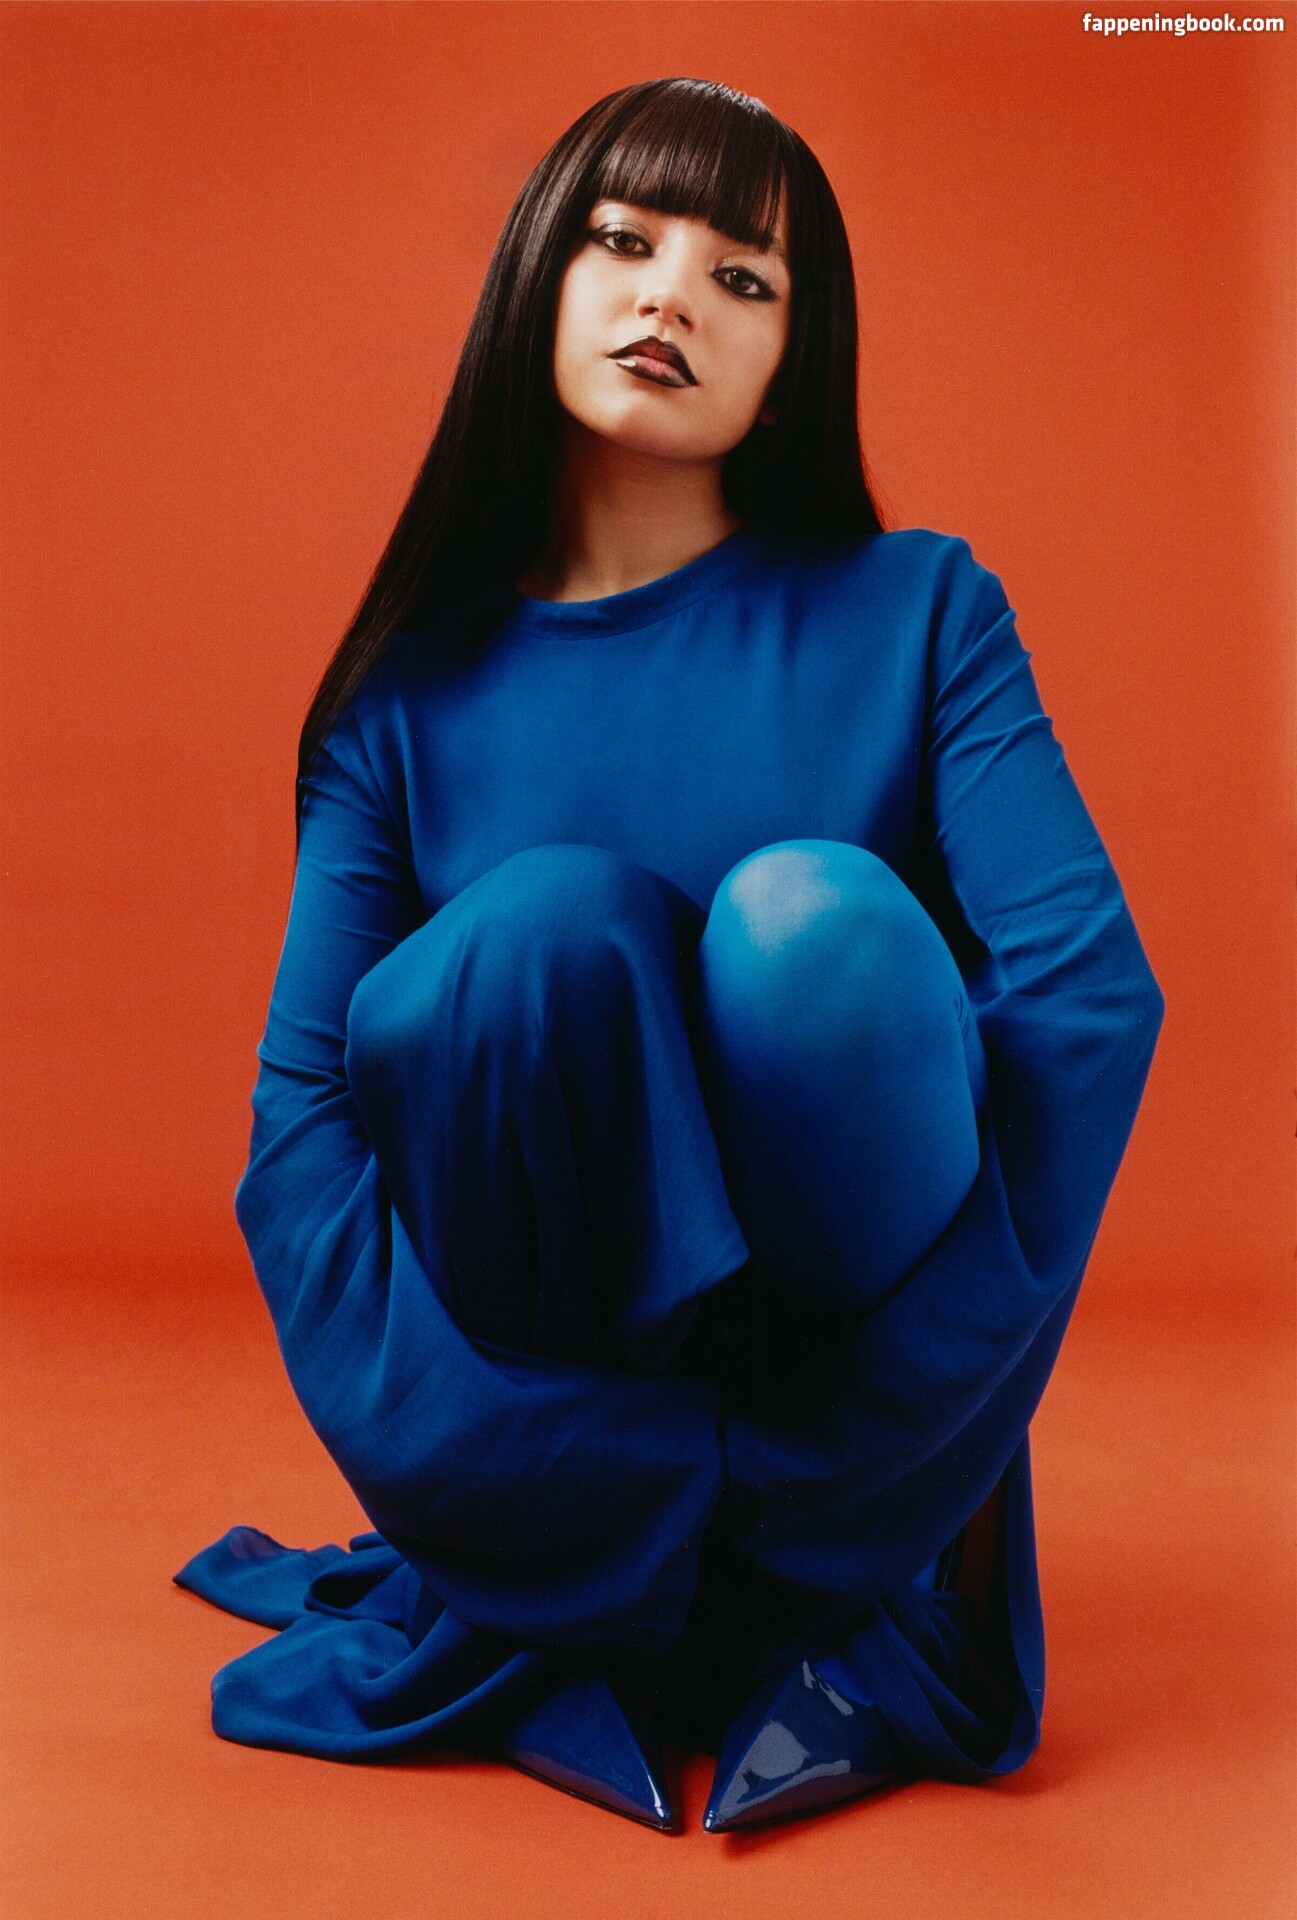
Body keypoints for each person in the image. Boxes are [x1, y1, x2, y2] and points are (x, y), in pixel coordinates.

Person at [174, 77, 1165, 1834]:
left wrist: (843, 1448)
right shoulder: (404, 699)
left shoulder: (923, 609)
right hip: (546, 1421)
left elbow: (1084, 1007)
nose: (668, 298)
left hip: (850, 1407)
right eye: (621, 242)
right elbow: (303, 1144)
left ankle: (819, 1595)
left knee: (808, 925)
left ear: (792, 360)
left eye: (740, 278)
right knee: (533, 936)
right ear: (535, 281)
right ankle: (573, 1603)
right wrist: (495, 1467)